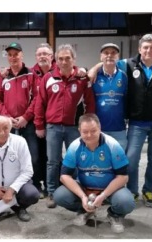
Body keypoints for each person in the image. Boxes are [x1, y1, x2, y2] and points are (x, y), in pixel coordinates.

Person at [90, 34, 152, 206]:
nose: (148, 50)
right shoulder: (129, 64)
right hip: (137, 122)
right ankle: (133, 190)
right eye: (145, 47)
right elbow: (108, 60)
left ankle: (148, 190)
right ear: (139, 49)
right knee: (132, 159)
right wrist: (93, 69)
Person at [34, 44, 95, 208]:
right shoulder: (48, 78)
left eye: (67, 58)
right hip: (52, 127)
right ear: (56, 60)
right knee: (52, 161)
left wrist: (87, 127)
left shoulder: (82, 78)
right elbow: (39, 103)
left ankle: (74, 191)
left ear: (73, 59)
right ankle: (52, 193)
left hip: (74, 128)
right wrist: (39, 124)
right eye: (60, 58)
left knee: (75, 161)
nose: (64, 61)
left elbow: (90, 103)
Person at [53, 113, 135, 233]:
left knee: (126, 202)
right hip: (86, 189)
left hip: (110, 190)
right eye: (85, 132)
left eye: (93, 131)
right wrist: (82, 196)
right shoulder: (75, 146)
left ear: (100, 128)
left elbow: (123, 177)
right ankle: (86, 209)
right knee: (59, 196)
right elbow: (64, 176)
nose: (89, 135)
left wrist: (103, 195)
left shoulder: (113, 145)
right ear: (79, 131)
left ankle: (114, 215)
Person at [0, 42, 41, 198]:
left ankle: (30, 186)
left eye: (16, 54)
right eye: (10, 55)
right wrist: (7, 117)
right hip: (9, 125)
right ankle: (10, 186)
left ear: (22, 55)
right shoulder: (3, 77)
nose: (13, 57)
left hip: (27, 123)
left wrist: (26, 117)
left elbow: (37, 98)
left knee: (32, 156)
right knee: (10, 158)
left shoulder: (31, 74)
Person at [0, 115, 39, 228]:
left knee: (32, 195)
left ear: (11, 128)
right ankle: (2, 207)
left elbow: (28, 170)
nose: (1, 132)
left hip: (16, 187)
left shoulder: (20, 142)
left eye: (5, 128)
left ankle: (19, 207)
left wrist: (12, 189)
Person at [30, 42, 56, 199]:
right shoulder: (31, 73)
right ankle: (37, 184)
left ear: (51, 56)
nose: (42, 57)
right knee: (36, 155)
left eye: (45, 54)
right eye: (39, 54)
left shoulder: (60, 71)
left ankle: (51, 185)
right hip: (36, 121)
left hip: (54, 122)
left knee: (52, 156)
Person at [92, 43, 128, 150]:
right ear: (101, 57)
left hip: (119, 129)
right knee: (100, 161)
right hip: (99, 129)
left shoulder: (125, 76)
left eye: (113, 53)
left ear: (118, 57)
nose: (109, 55)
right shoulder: (94, 76)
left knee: (119, 162)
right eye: (106, 53)